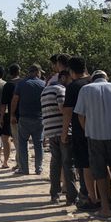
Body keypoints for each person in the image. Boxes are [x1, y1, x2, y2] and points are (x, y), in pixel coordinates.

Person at [74, 70, 111, 218]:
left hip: (95, 137)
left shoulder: (85, 89)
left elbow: (80, 116)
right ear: (106, 78)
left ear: (92, 79)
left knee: (100, 173)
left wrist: (87, 130)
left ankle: (105, 207)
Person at [63, 57, 97, 210]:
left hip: (80, 130)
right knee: (101, 164)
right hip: (99, 130)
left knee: (84, 165)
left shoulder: (73, 86)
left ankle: (87, 196)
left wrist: (64, 132)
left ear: (70, 70)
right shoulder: (94, 82)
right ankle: (105, 196)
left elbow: (68, 112)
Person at [10, 64, 46, 175]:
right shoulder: (43, 84)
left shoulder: (21, 84)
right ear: (36, 72)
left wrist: (12, 114)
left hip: (24, 117)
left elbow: (15, 100)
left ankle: (24, 169)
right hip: (39, 117)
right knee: (38, 144)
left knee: (22, 143)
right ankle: (38, 168)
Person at [41, 70, 70, 202]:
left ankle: (54, 194)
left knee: (55, 163)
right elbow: (63, 109)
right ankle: (71, 196)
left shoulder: (45, 91)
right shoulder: (60, 89)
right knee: (68, 163)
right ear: (63, 78)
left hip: (50, 131)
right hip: (62, 130)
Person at [1, 64, 20, 170]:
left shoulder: (8, 85)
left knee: (16, 140)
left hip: (13, 115)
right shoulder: (23, 83)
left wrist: (1, 117)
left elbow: (3, 104)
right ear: (19, 71)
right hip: (25, 114)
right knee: (22, 140)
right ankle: (22, 162)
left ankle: (19, 163)